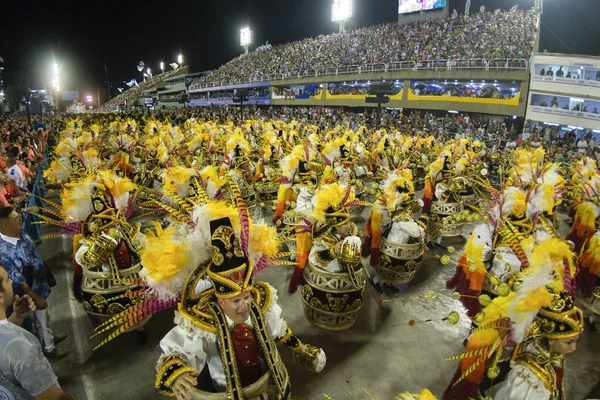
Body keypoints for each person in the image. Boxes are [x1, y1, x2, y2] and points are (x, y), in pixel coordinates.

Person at [0, 207, 68, 358]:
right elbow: (18, 281)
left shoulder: (18, 232)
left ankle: (48, 337)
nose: (21, 220)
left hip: (40, 285)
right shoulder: (4, 252)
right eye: (17, 219)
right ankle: (48, 348)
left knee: (44, 317)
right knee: (40, 320)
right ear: (5, 225)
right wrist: (35, 298)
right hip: (30, 293)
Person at [0, 265, 74, 400]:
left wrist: (17, 316)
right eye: (6, 279)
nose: (11, 281)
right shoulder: (19, 348)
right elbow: (54, 397)